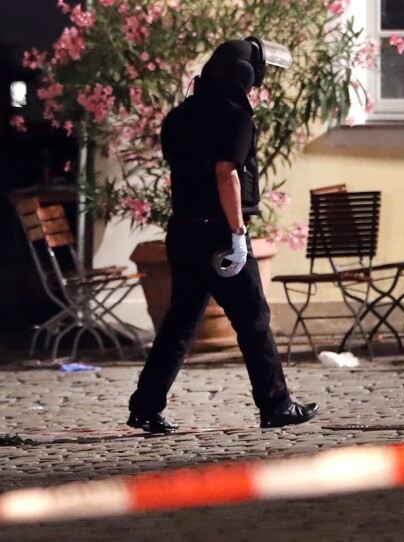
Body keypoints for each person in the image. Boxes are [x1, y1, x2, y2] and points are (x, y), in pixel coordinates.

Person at [127, 37, 319, 433]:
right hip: (219, 234)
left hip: (183, 232)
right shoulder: (235, 118)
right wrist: (236, 233)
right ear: (244, 78)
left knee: (179, 324)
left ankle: (145, 407)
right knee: (253, 321)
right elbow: (226, 173)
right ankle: (276, 405)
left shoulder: (179, 117)